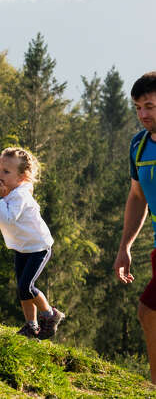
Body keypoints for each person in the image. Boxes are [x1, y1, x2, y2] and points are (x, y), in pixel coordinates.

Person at [0, 147, 64, 339]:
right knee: (22, 288)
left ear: (22, 177)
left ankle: (50, 315)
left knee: (27, 285)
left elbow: (9, 217)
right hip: (21, 248)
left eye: (6, 171)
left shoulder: (20, 194)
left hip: (38, 247)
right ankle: (31, 325)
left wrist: (0, 197)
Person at [114, 71, 156, 383]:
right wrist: (125, 247)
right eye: (138, 107)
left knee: (149, 312)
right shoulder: (138, 146)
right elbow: (137, 196)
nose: (143, 114)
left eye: (150, 107)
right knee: (149, 314)